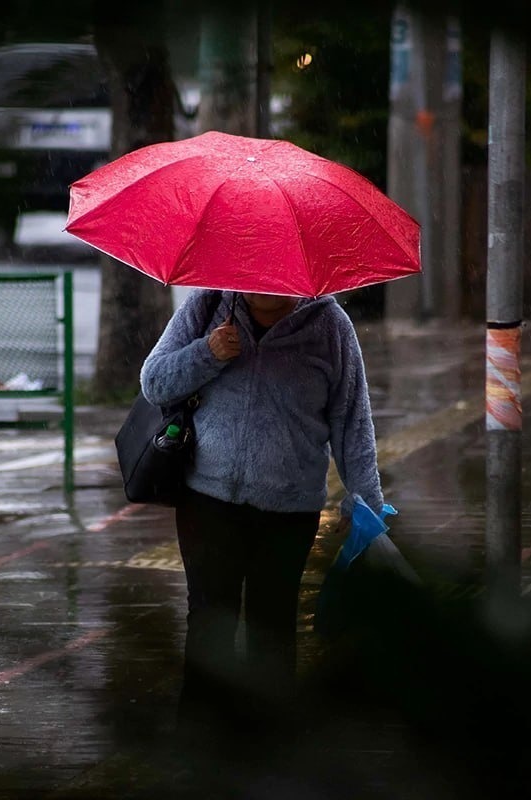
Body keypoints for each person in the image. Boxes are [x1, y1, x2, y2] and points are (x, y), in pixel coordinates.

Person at [139, 288, 385, 757]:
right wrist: (207, 353)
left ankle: (268, 755)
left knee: (271, 631)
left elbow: (353, 425)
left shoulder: (331, 327)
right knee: (210, 623)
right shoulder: (209, 306)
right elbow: (154, 382)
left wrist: (366, 507)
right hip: (207, 500)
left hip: (289, 511)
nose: (263, 286)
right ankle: (198, 753)